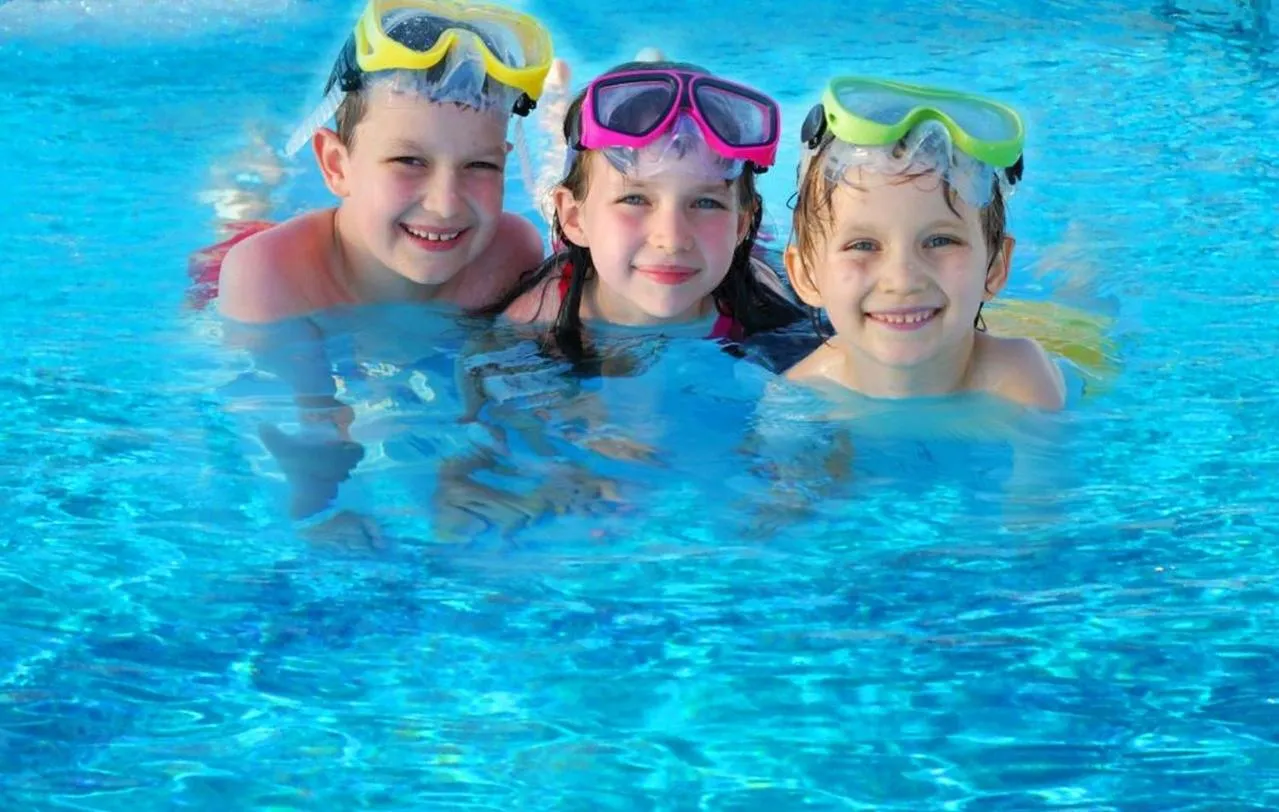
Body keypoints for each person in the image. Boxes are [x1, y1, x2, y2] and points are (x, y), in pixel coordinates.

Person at [198, 0, 555, 323]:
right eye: (409, 160)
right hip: (259, 261)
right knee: (233, 236)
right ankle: (246, 193)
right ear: (337, 166)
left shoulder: (511, 256)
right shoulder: (271, 276)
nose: (445, 205)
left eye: (480, 165)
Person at [781, 76, 1067, 410]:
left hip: (1068, 338)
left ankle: (1072, 272)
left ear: (995, 267)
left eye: (941, 240)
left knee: (1077, 300)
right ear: (806, 275)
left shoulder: (1018, 378)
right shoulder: (801, 395)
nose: (902, 280)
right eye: (863, 245)